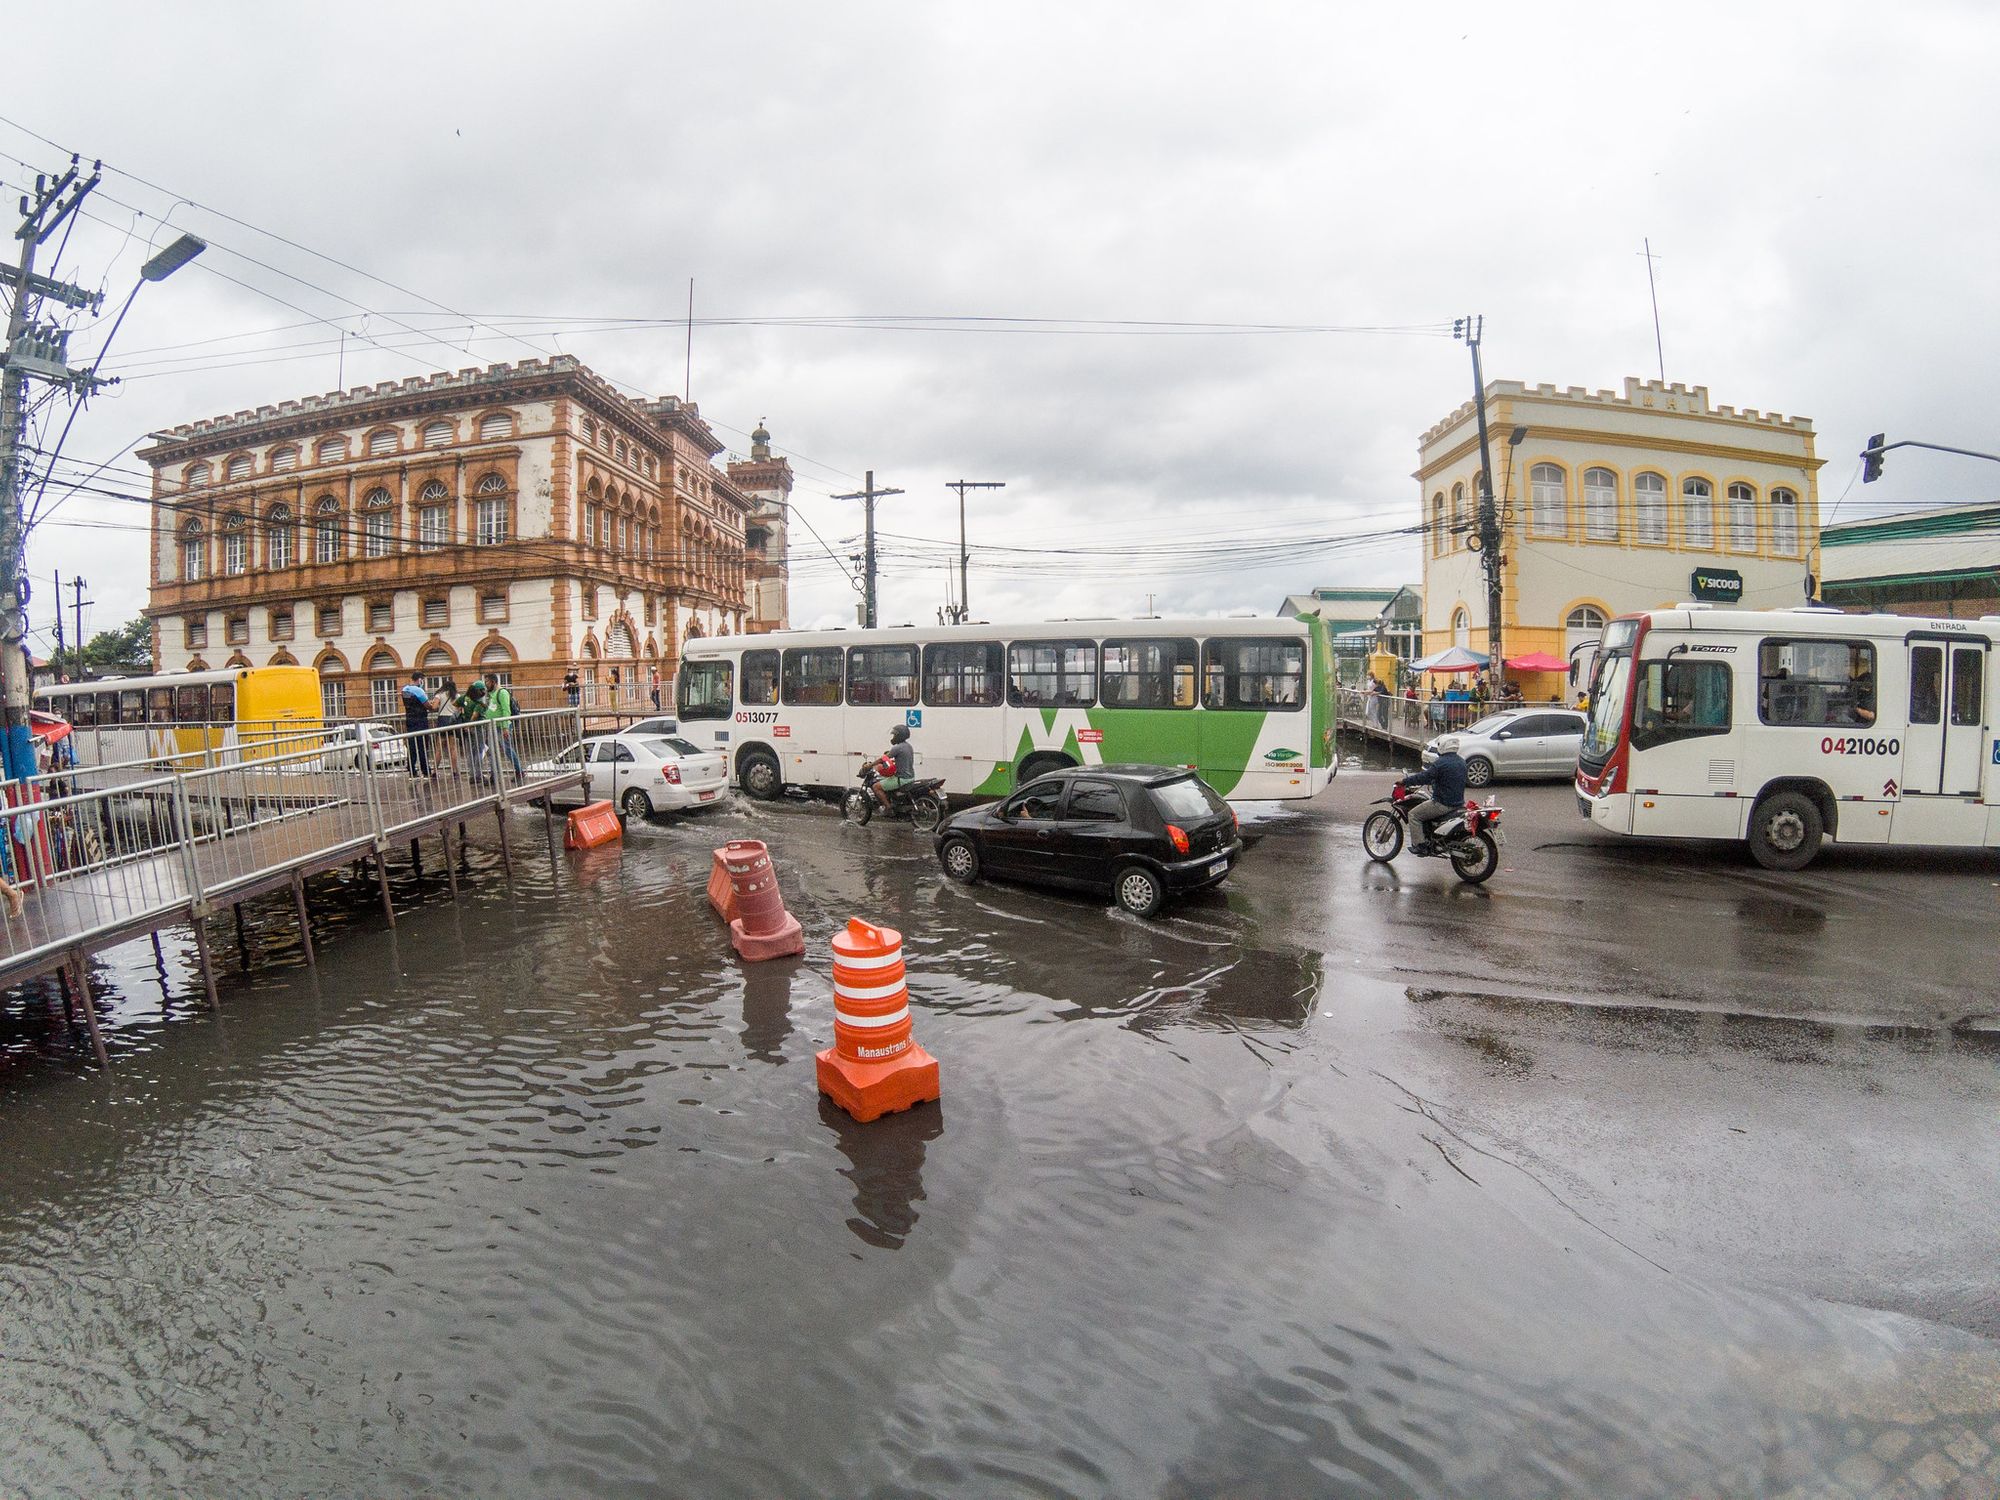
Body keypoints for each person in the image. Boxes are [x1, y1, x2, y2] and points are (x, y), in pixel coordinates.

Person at [1400, 734, 1468, 855]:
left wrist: (1405, 781)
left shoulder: (1440, 763)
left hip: (1443, 804)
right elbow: (1448, 778)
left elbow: (1424, 777)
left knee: (1414, 815)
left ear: (1443, 746)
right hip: (1458, 803)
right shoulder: (1461, 761)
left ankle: (1420, 846)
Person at [482, 672, 524, 782]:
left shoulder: (502, 693)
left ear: (493, 682)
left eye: (487, 682)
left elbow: (506, 710)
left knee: (507, 749)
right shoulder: (493, 694)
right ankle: (494, 775)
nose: (485, 684)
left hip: (501, 727)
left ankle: (519, 771)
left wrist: (505, 727)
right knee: (492, 751)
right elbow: (494, 709)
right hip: (493, 726)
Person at [874, 723, 914, 812]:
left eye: (894, 735)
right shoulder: (908, 746)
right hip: (910, 777)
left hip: (902, 779)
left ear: (899, 736)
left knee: (876, 786)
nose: (893, 737)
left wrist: (869, 765)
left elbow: (883, 759)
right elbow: (903, 759)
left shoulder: (897, 748)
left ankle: (888, 808)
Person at [401, 672, 433, 778]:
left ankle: (412, 770)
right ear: (419, 680)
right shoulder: (419, 691)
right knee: (422, 746)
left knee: (412, 746)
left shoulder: (404, 690)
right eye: (422, 680)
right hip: (420, 720)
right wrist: (434, 707)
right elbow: (427, 705)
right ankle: (425, 770)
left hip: (410, 720)